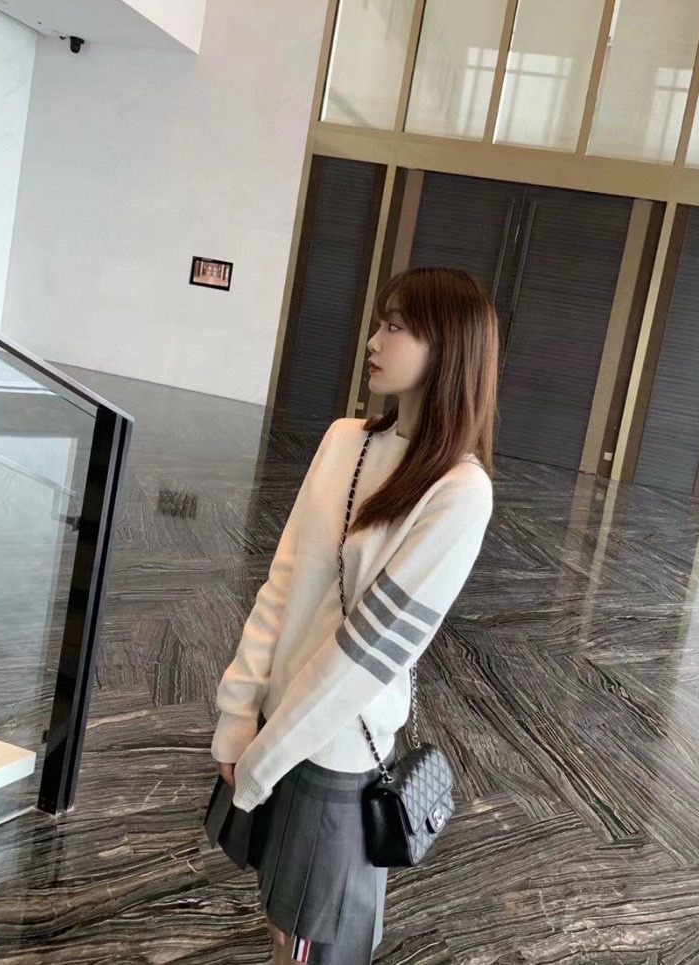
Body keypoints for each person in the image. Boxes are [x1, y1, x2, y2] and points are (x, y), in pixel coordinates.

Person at [209, 267, 499, 964]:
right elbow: (283, 584)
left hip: (332, 746)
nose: (374, 340)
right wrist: (238, 714)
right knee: (280, 920)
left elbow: (368, 654)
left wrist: (264, 759)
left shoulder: (460, 491)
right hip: (271, 727)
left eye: (396, 326)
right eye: (379, 322)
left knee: (311, 942)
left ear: (447, 348)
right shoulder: (345, 439)